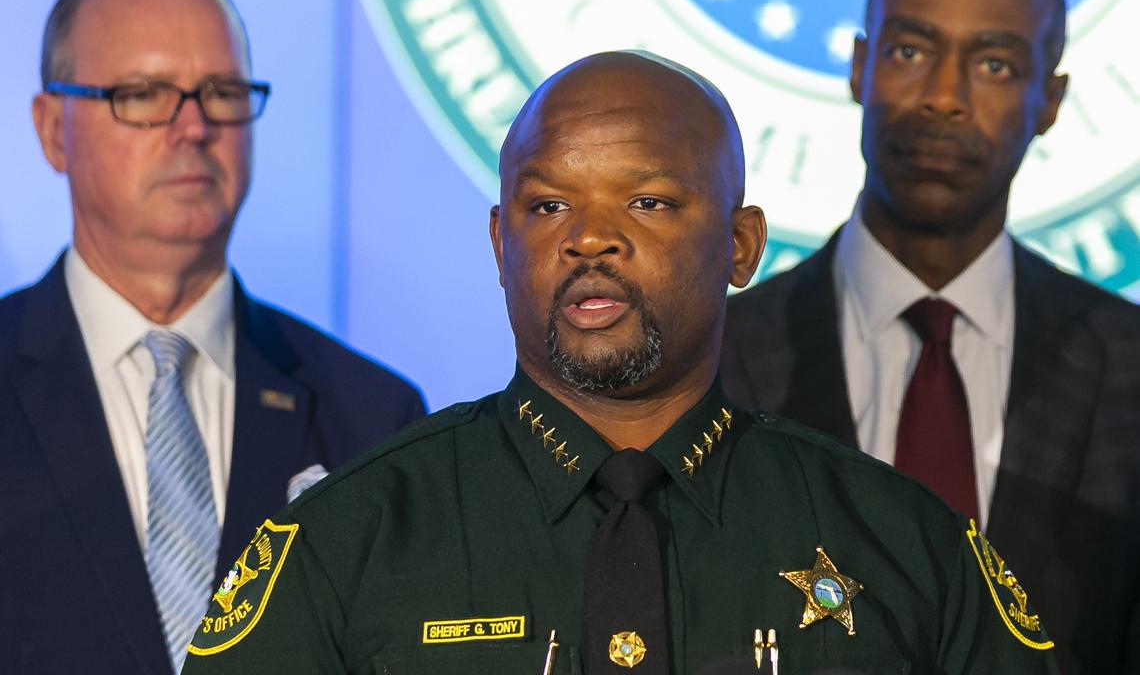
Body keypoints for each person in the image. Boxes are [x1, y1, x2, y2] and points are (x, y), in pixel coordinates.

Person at [182, 51, 1059, 674]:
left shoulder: (904, 541)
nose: (590, 238)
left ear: (741, 246)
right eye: (549, 203)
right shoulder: (346, 542)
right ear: (499, 242)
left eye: (647, 201)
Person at [720, 0, 1140, 674]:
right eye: (910, 51)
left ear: (1051, 99)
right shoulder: (717, 356)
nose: (945, 96)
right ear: (859, 67)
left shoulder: (1128, 365)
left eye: (995, 64)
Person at [0, 0, 425, 675]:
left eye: (222, 93)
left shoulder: (373, 417)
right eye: (143, 94)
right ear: (52, 130)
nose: (193, 127)